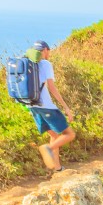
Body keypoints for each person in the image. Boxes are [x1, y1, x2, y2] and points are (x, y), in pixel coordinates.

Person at [27, 41, 76, 171]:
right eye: (48, 51)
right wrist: (65, 107)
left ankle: (57, 168)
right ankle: (48, 148)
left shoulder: (28, 65)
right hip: (46, 107)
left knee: (54, 135)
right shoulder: (45, 64)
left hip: (32, 107)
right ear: (45, 50)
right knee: (69, 134)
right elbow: (52, 88)